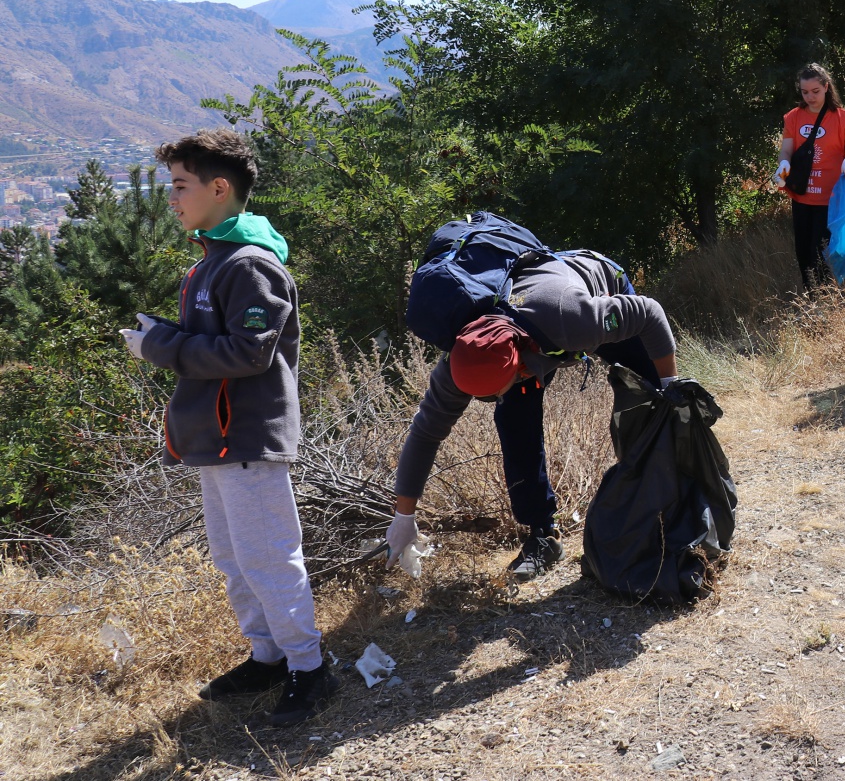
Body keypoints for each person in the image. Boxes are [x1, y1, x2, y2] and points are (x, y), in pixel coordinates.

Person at [119, 129, 336, 726]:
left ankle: (311, 669)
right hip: (217, 438)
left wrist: (159, 346)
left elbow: (249, 352)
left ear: (219, 188)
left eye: (180, 185)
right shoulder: (212, 261)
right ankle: (269, 657)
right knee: (233, 558)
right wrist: (165, 332)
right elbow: (217, 340)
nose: (171, 198)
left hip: (246, 436)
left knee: (268, 557)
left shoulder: (250, 265)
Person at [384, 251, 681, 582]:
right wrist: (403, 517)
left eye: (491, 394)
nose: (487, 401)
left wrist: (670, 385)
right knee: (514, 422)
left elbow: (649, 313)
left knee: (653, 398)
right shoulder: (460, 364)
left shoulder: (574, 319)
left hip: (594, 289)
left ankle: (678, 498)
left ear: (520, 368)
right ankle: (544, 536)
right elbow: (425, 434)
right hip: (531, 334)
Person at [774, 64, 845, 289]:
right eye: (804, 92)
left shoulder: (842, 118)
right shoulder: (793, 117)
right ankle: (811, 295)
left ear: (826, 87)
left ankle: (824, 297)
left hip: (831, 197)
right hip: (802, 195)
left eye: (815, 91)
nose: (810, 97)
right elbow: (786, 150)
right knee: (803, 251)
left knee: (820, 251)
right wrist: (783, 163)